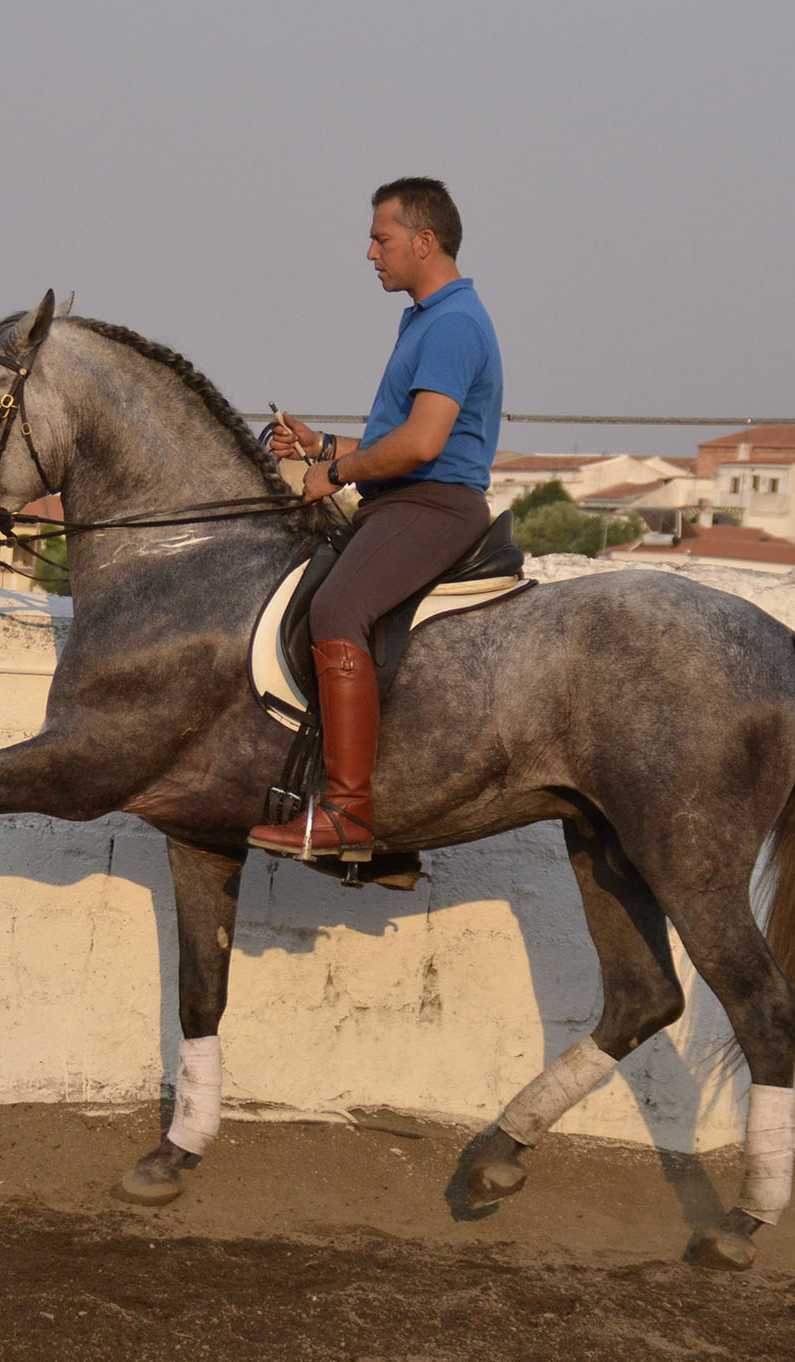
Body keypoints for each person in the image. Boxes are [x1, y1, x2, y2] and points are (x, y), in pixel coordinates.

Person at [248, 176, 504, 861]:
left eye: (380, 238)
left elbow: (422, 447)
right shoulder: (426, 317)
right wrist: (321, 445)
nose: (370, 253)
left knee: (336, 610)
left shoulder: (451, 324)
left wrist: (330, 474)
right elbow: (403, 439)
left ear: (425, 241)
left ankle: (350, 817)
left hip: (433, 506)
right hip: (407, 496)